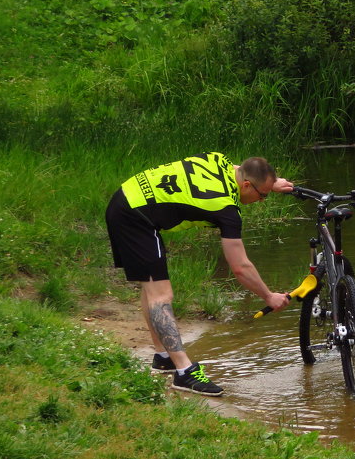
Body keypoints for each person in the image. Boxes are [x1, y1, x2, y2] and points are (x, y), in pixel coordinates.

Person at [105, 152, 293, 395]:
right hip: (134, 216)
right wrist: (269, 296)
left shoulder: (220, 161)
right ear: (246, 185)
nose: (262, 201)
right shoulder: (226, 208)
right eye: (262, 195)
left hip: (128, 197)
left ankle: (164, 357)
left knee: (151, 286)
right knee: (161, 295)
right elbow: (240, 267)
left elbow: (245, 168)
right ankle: (184, 373)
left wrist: (271, 182)